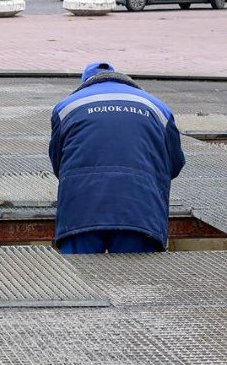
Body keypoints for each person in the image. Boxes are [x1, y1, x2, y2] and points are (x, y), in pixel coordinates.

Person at [49, 62, 186, 254]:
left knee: (77, 278)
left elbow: (58, 163)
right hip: (140, 209)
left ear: (86, 83)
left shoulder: (67, 107)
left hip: (80, 211)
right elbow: (175, 163)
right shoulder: (157, 107)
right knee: (136, 280)